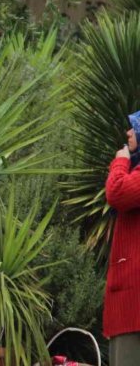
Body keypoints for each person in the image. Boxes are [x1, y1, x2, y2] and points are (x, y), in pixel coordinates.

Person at [103, 110, 140, 366]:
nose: (128, 133)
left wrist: (120, 161)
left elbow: (117, 193)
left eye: (135, 127)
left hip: (134, 305)